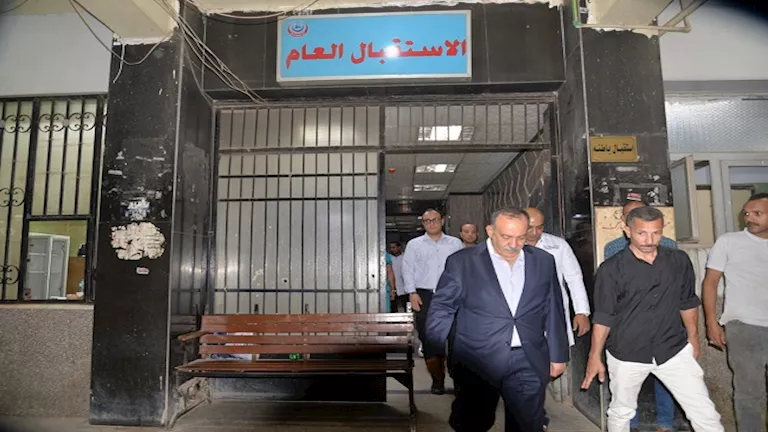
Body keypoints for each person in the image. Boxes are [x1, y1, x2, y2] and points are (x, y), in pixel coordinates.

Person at [582, 206, 723, 432]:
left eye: (656, 233)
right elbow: (604, 316)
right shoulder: (610, 270)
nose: (649, 240)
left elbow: (687, 302)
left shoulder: (678, 260)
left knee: (705, 413)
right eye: (642, 233)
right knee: (621, 412)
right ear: (627, 230)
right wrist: (594, 356)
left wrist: (693, 338)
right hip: (627, 352)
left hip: (673, 349)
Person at [426, 208, 569, 431]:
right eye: (506, 237)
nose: (514, 244)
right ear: (490, 231)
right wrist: (435, 346)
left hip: (527, 357)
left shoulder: (543, 261)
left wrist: (559, 354)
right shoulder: (462, 262)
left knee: (527, 424)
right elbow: (443, 306)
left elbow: (553, 308)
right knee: (474, 422)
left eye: (520, 237)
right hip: (477, 359)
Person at [604, 199, 678, 432]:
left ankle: (665, 423)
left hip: (663, 325)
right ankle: (631, 424)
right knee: (627, 384)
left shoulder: (670, 247)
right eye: (631, 215)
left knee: (666, 378)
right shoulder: (613, 249)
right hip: (630, 327)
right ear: (626, 224)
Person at [702, 193, 768, 432]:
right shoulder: (729, 242)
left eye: (757, 213)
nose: (750, 218)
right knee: (748, 392)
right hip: (744, 327)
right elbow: (710, 282)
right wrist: (711, 323)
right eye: (747, 213)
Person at [525, 207, 591, 430]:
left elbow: (574, 277)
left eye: (539, 227)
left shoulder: (558, 245)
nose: (535, 233)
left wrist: (581, 311)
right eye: (530, 227)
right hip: (523, 318)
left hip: (552, 314)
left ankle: (534, 407)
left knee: (549, 365)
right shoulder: (511, 245)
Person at [402, 209, 463, 394]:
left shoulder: (455, 243)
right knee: (430, 339)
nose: (431, 223)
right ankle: (437, 379)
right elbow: (407, 269)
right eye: (427, 221)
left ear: (442, 221)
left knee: (456, 338)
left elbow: (463, 268)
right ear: (423, 224)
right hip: (424, 295)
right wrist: (412, 292)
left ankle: (458, 380)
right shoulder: (414, 245)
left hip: (452, 295)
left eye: (435, 220)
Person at [388, 241, 407, 312]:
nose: (392, 249)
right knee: (393, 309)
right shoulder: (389, 258)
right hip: (392, 287)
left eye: (394, 247)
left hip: (404, 287)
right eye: (391, 248)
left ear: (399, 247)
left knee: (406, 307)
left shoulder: (405, 257)